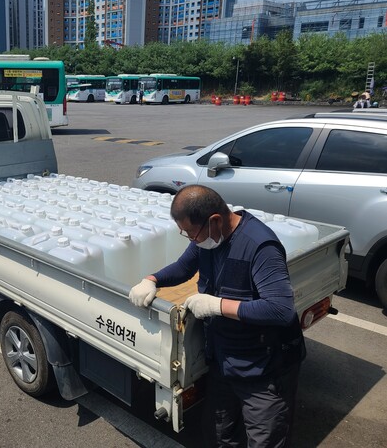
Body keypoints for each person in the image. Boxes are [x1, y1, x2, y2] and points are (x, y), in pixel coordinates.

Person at [129, 185, 305, 447]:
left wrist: (218, 306)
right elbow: (184, 267)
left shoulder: (259, 245)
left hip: (264, 369)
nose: (191, 239)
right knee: (218, 435)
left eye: (191, 233)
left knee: (265, 440)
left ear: (214, 220)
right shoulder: (209, 239)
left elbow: (280, 309)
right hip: (226, 362)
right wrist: (152, 280)